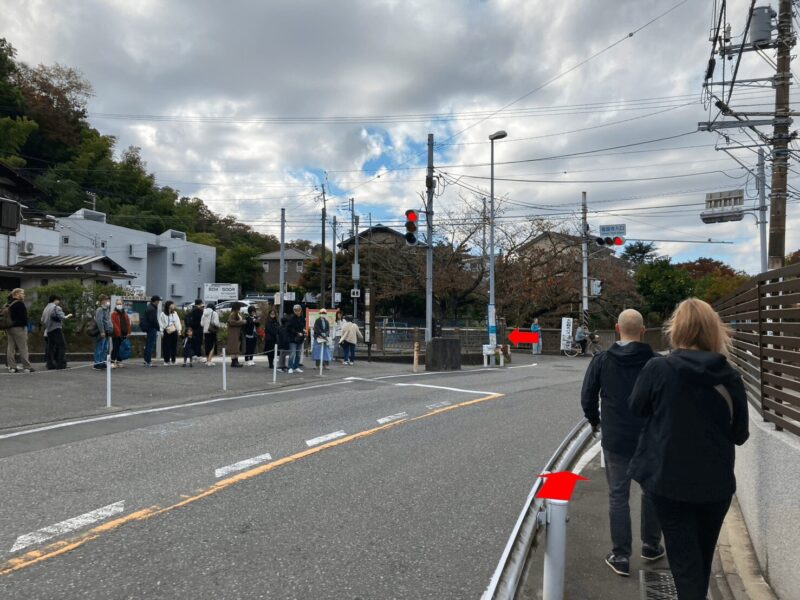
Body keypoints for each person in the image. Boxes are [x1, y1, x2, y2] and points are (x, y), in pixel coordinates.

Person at [628, 298, 749, 599]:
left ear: (676, 329)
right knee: (700, 562)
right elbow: (740, 434)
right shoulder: (730, 377)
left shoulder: (658, 369)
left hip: (668, 483)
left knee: (685, 566)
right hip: (714, 487)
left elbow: (636, 408)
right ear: (714, 332)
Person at [581, 309, 663, 577]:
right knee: (650, 491)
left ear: (617, 328)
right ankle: (651, 545)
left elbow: (588, 398)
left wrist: (595, 422)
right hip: (648, 437)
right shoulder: (655, 361)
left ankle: (620, 555)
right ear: (643, 330)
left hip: (615, 437)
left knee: (618, 495)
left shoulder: (602, 360)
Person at [4, 288, 34, 373]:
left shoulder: (8, 303)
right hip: (19, 328)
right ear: (17, 294)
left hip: (9, 328)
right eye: (22, 293)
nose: (24, 295)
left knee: (10, 348)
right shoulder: (20, 304)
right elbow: (23, 319)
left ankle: (12, 367)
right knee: (23, 348)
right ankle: (27, 367)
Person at [44, 295, 71, 370]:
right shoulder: (56, 307)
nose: (59, 302)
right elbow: (62, 317)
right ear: (55, 300)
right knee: (62, 346)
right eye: (58, 300)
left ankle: (50, 365)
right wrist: (67, 316)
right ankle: (60, 364)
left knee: (50, 347)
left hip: (48, 329)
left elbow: (42, 319)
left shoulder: (46, 308)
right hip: (56, 328)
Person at [93, 294, 113, 370]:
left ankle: (102, 362)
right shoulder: (100, 309)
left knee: (105, 348)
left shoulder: (107, 309)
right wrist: (102, 331)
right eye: (106, 299)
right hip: (102, 332)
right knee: (100, 347)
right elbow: (99, 321)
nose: (108, 301)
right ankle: (97, 363)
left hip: (107, 331)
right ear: (102, 301)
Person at [159, 300, 182, 365]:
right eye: (172, 304)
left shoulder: (175, 313)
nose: (174, 306)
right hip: (166, 330)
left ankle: (173, 360)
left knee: (173, 346)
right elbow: (161, 323)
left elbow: (177, 322)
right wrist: (161, 332)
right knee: (166, 346)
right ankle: (166, 361)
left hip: (174, 330)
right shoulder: (163, 314)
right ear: (169, 305)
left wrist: (179, 330)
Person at [141, 295, 161, 367]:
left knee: (148, 345)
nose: (159, 302)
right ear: (155, 301)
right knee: (150, 345)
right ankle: (148, 361)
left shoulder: (149, 307)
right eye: (158, 301)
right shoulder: (152, 309)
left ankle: (146, 360)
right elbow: (153, 320)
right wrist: (158, 328)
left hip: (149, 328)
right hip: (152, 328)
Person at [110, 298, 131, 368]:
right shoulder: (113, 314)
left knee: (121, 348)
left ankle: (119, 361)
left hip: (124, 334)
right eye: (118, 304)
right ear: (116, 305)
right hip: (116, 334)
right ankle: (112, 362)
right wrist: (118, 333)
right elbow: (114, 324)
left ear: (123, 305)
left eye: (120, 304)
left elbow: (128, 323)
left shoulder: (125, 314)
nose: (119, 305)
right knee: (115, 348)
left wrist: (128, 332)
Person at [286, 304, 306, 374]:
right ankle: (290, 367)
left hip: (300, 339)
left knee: (298, 354)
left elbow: (303, 326)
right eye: (296, 310)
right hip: (293, 338)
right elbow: (288, 328)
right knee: (292, 353)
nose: (297, 312)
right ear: (294, 311)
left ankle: (296, 366)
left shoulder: (302, 318)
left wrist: (304, 330)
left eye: (299, 310)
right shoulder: (291, 318)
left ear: (301, 310)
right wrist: (297, 333)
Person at [201, 302, 220, 367]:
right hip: (212, 331)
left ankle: (207, 360)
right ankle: (209, 361)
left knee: (207, 345)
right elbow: (216, 323)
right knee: (212, 346)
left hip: (205, 332)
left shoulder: (204, 314)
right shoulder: (214, 313)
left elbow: (202, 324)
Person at [227, 303, 245, 368]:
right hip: (233, 333)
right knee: (234, 347)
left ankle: (235, 361)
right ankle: (234, 362)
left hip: (236, 332)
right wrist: (242, 322)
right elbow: (231, 322)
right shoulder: (233, 314)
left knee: (236, 347)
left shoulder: (236, 313)